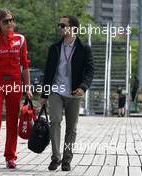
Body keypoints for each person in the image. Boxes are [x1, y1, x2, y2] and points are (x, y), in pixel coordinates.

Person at [0, 8, 32, 169]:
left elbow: (25, 66)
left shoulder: (20, 39)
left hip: (15, 83)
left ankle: (10, 157)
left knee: (11, 121)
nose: (10, 23)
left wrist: (28, 88)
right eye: (5, 21)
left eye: (11, 20)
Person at [40, 15, 94, 171]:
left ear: (73, 28)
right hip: (56, 91)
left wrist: (83, 87)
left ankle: (66, 159)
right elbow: (48, 72)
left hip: (74, 93)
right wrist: (44, 95)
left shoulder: (84, 48)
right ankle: (55, 158)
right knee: (55, 121)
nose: (60, 28)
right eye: (59, 25)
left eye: (63, 25)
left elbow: (90, 71)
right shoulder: (55, 48)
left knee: (71, 128)